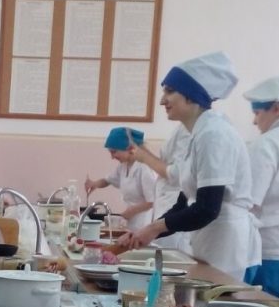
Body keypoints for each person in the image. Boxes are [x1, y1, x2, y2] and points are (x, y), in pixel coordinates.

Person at [118, 51, 261, 281]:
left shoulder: (213, 135)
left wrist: (154, 228)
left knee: (217, 300)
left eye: (170, 91)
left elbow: (207, 208)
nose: (162, 100)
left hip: (225, 243)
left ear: (191, 95)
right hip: (210, 239)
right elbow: (184, 201)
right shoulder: (198, 134)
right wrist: (146, 231)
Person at [242, 76, 279, 295]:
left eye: (257, 113)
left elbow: (248, 202)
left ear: (276, 109)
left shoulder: (267, 144)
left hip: (269, 251)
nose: (255, 122)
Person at [84, 127, 157, 231]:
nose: (112, 157)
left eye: (114, 152)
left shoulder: (145, 168)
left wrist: (133, 210)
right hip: (132, 223)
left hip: (146, 222)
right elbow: (108, 180)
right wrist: (94, 184)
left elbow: (153, 201)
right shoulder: (124, 166)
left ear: (129, 149)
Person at [151, 124, 192, 253]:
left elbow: (176, 174)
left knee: (171, 250)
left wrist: (144, 156)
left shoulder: (190, 132)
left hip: (174, 202)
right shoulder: (181, 129)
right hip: (169, 206)